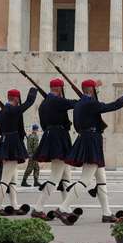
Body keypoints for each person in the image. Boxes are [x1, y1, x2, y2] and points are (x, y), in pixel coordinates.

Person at [63, 78, 123, 224]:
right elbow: (112, 106)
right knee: (85, 179)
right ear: (91, 91)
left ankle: (106, 213)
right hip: (91, 141)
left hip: (89, 138)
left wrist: (97, 87)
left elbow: (89, 110)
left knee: (101, 181)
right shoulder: (89, 103)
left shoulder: (80, 103)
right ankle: (63, 207)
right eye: (95, 89)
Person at [31, 80, 79, 217]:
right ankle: (38, 208)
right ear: (59, 88)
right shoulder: (57, 101)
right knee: (55, 175)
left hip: (50, 136)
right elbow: (76, 103)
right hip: (59, 138)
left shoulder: (43, 104)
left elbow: (43, 125)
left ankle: (66, 207)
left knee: (65, 175)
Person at [0, 87, 38, 214]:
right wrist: (34, 90)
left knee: (12, 177)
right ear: (16, 98)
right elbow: (29, 102)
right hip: (12, 143)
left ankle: (14, 204)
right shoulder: (12, 110)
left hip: (6, 141)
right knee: (6, 177)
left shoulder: (2, 112)